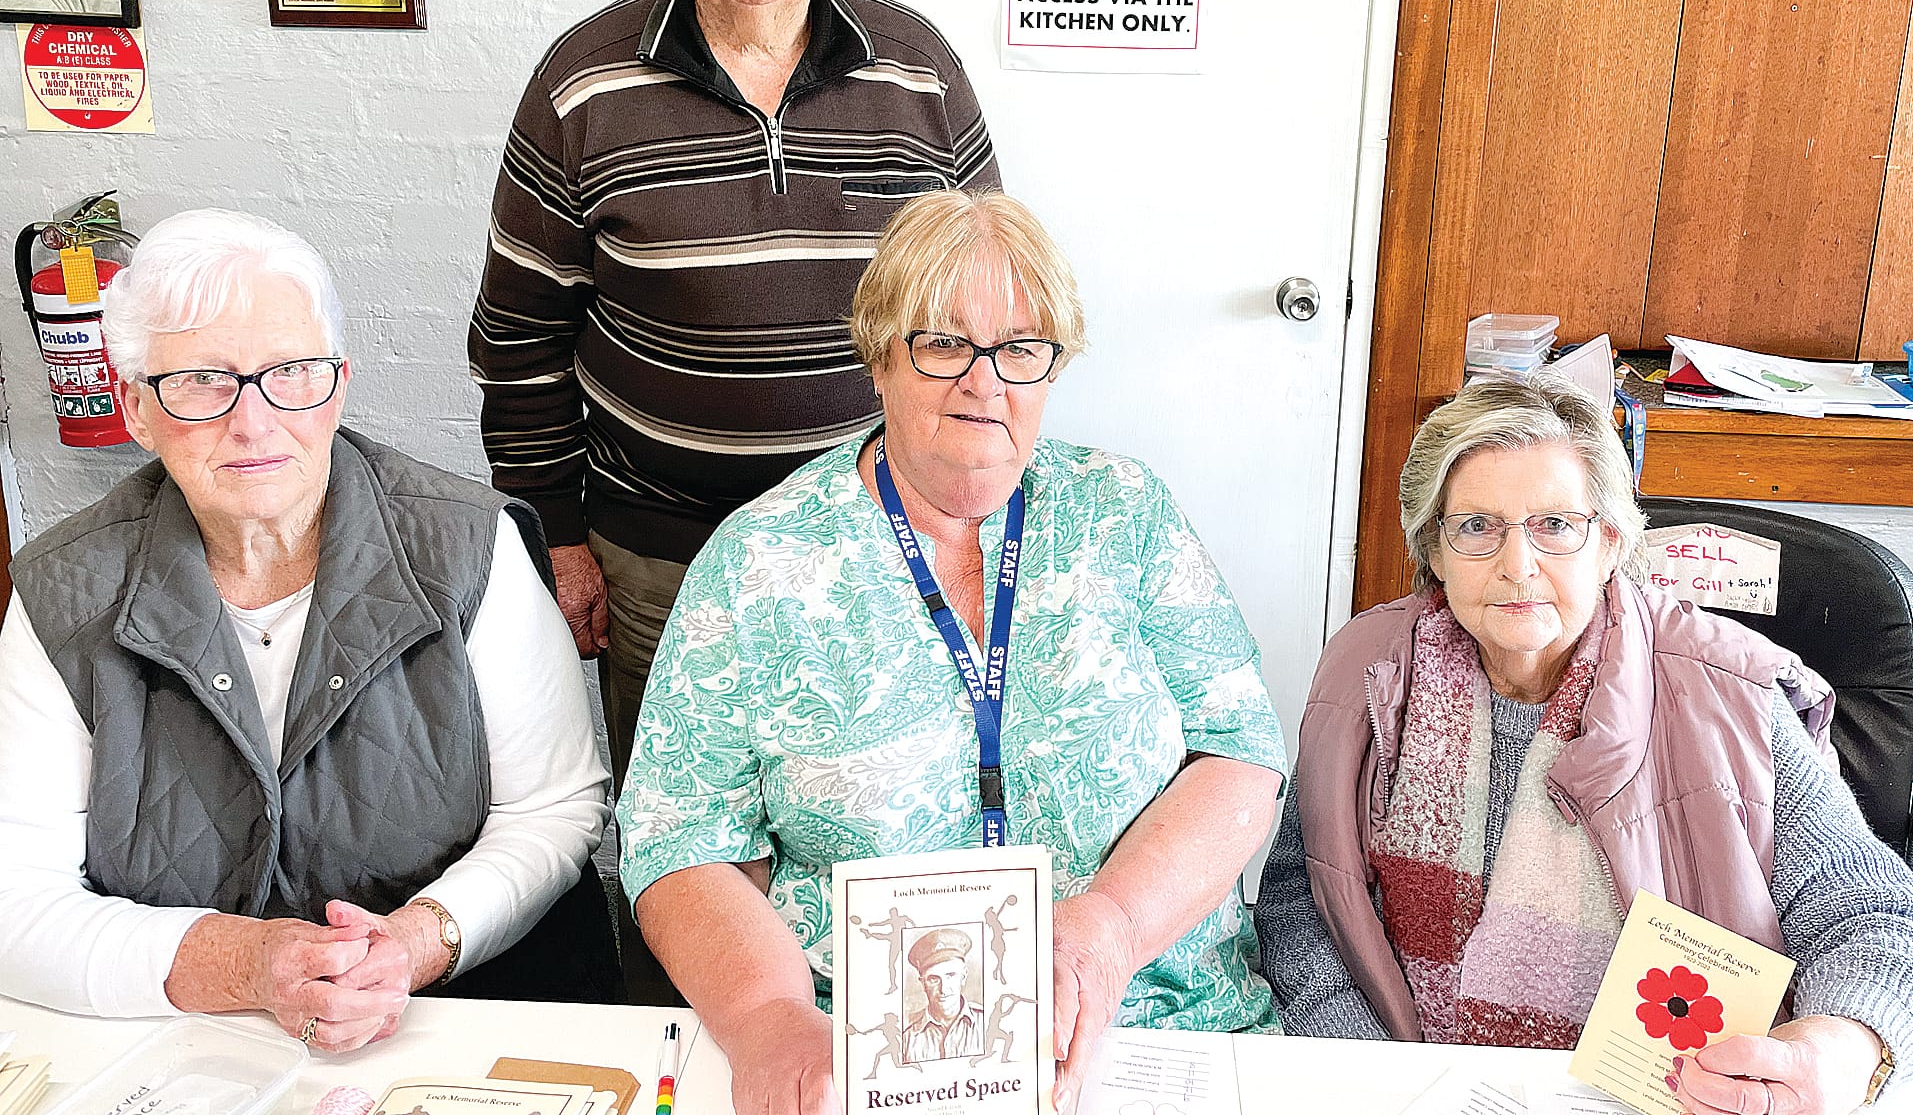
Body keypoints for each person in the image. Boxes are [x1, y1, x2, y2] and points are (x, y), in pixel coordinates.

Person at [619, 190, 1288, 1115]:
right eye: (944, 343)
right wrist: (767, 1016)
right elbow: (679, 834)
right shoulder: (759, 559)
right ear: (879, 356)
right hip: (860, 1055)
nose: (986, 381)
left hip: (1152, 1020)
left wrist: (1109, 929)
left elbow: (1240, 748)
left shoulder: (1124, 512)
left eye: (1020, 348)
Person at [468, 0, 1000, 788]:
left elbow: (990, 317)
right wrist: (557, 540)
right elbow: (518, 340)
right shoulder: (581, 86)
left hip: (879, 553)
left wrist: (969, 513)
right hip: (661, 560)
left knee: (871, 815)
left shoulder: (920, 75)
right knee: (685, 832)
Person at [0, 210, 615, 1050]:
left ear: (340, 384)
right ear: (135, 406)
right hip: (183, 1041)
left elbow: (553, 808)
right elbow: (16, 896)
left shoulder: (469, 547)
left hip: (462, 1018)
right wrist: (244, 964)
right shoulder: (62, 589)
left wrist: (412, 942)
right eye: (201, 380)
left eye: (290, 371)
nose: (253, 420)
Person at [1256, 371, 1913, 1115]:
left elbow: (1872, 915)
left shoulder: (1729, 694)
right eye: (1476, 526)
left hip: (1670, 1097)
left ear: (1608, 543)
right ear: (1434, 550)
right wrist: (1367, 1070)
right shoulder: (1366, 666)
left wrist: (1841, 1046)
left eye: (1555, 524)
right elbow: (1302, 895)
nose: (1516, 564)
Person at [902, 929, 985, 1063]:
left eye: (950, 976)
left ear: (963, 977)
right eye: (934, 979)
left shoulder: (987, 1023)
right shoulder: (906, 1037)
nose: (943, 989)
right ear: (923, 983)